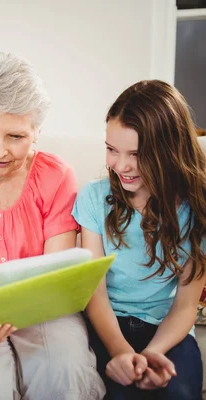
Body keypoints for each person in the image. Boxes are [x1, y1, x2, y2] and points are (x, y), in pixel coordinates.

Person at [0, 53, 105, 400]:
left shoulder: (56, 176)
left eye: (16, 136)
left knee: (64, 373)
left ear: (37, 131)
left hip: (41, 309)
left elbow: (54, 283)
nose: (0, 150)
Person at [73, 80, 206, 399]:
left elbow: (186, 305)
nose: (121, 165)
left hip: (168, 331)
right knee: (120, 392)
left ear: (169, 151)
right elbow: (96, 293)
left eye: (137, 153)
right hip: (106, 326)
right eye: (111, 149)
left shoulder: (198, 208)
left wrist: (152, 353)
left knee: (179, 391)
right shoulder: (94, 198)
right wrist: (120, 351)